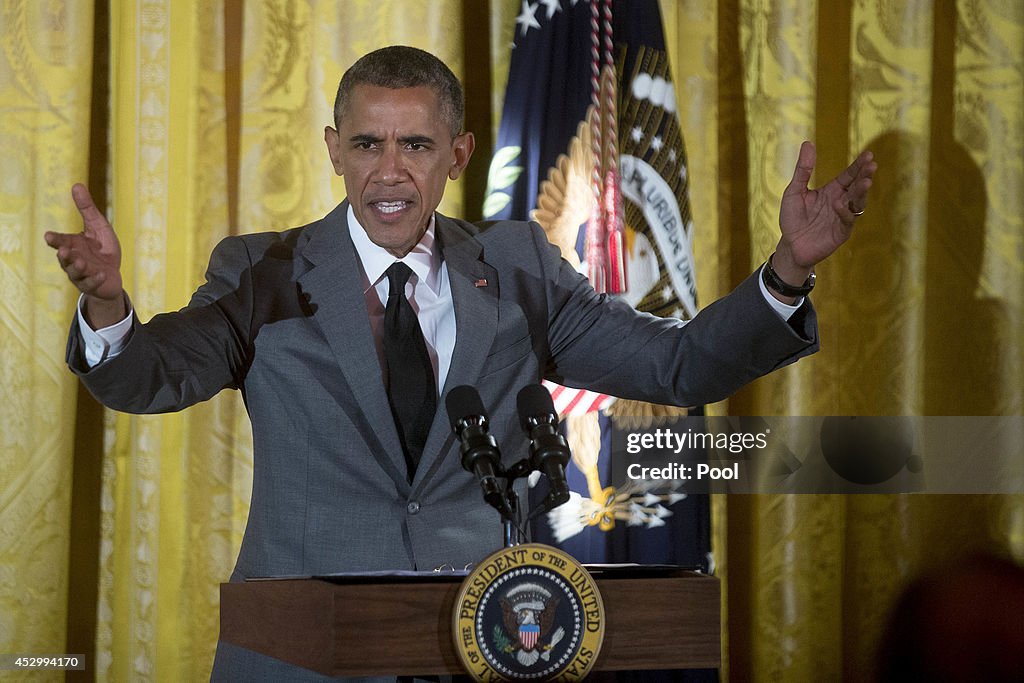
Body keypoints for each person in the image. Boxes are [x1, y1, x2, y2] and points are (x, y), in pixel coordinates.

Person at [44, 46, 875, 682]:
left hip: (479, 649)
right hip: (298, 652)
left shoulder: (517, 268)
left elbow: (679, 367)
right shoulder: (263, 271)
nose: (390, 170)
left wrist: (786, 273)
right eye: (367, 143)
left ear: (460, 152)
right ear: (334, 149)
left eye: (416, 143)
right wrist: (111, 305)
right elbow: (150, 374)